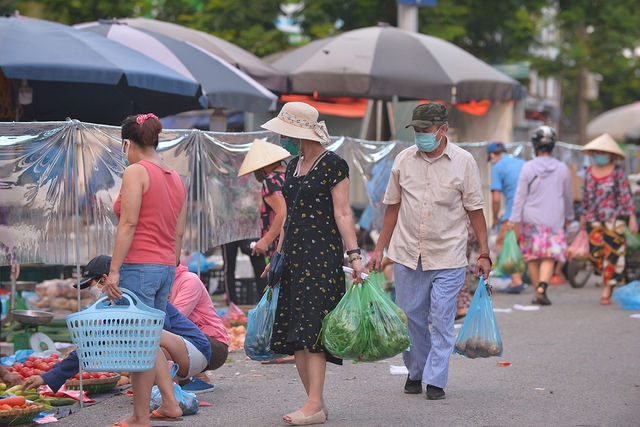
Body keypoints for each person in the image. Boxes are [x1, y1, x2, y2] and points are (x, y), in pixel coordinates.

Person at [368, 102, 492, 401]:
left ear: (442, 129)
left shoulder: (464, 162)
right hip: (408, 252)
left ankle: (436, 378)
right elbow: (392, 208)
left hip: (448, 254)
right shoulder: (403, 160)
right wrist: (379, 248)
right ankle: (417, 370)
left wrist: (485, 252)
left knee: (442, 317)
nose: (421, 136)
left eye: (426, 130)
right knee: (411, 317)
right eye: (417, 131)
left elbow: (475, 211)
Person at [260, 102, 365, 426]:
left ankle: (314, 403)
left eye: (284, 132)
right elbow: (288, 217)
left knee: (313, 330)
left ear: (296, 132)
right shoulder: (292, 166)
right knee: (295, 333)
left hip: (321, 258)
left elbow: (343, 212)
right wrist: (277, 254)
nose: (280, 137)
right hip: (292, 258)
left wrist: (355, 255)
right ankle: (314, 403)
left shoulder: (334, 164)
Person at [24, 267, 211, 412]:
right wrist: (46, 377)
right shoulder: (112, 308)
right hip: (179, 358)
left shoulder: (135, 298)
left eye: (92, 284)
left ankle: (171, 399)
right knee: (142, 340)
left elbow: (164, 327)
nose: (90, 290)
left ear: (106, 279)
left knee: (145, 334)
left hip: (196, 350)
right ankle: (170, 398)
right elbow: (89, 347)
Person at [102, 113, 188, 427]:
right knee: (150, 340)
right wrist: (171, 262)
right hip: (165, 266)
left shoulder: (136, 172)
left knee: (140, 342)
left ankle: (140, 416)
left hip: (138, 267)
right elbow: (179, 231)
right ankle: (169, 404)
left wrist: (113, 271)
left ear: (127, 143)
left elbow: (128, 223)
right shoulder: (176, 178)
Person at [506, 126, 574, 306]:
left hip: (531, 219)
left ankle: (538, 290)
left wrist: (513, 220)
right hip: (554, 219)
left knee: (533, 257)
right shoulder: (562, 168)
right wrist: (569, 215)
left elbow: (520, 196)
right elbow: (568, 195)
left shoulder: (528, 167)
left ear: (535, 146)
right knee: (549, 256)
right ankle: (542, 288)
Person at [579, 133, 637, 305]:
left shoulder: (618, 173)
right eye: (598, 152)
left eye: (604, 152)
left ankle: (607, 289)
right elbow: (586, 196)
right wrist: (583, 215)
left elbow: (626, 196)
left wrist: (632, 217)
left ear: (611, 154)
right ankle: (604, 277)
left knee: (613, 254)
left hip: (615, 219)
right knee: (595, 254)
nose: (600, 155)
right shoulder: (589, 172)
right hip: (593, 218)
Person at [170, 263, 230, 392]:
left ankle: (196, 376)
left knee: (159, 337)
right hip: (188, 340)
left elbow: (175, 319)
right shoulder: (161, 284)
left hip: (213, 344)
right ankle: (180, 381)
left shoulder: (189, 280)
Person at [237, 138, 289, 258]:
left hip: (280, 248)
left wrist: (266, 241)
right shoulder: (289, 174)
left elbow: (283, 212)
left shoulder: (271, 180)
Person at [488, 142, 527, 294]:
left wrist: (495, 218)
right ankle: (520, 279)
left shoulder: (497, 167)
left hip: (513, 212)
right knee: (518, 244)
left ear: (492, 155)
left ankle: (515, 280)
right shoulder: (523, 163)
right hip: (531, 211)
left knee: (503, 244)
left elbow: (496, 199)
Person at [222, 240, 268, 304]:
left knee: (259, 264)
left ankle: (266, 301)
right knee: (229, 266)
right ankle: (231, 304)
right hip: (230, 233)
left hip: (248, 233)